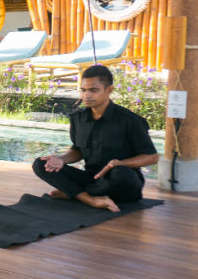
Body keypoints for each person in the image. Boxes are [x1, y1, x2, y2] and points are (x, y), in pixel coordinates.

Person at [32, 64, 158, 212]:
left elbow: (152, 157)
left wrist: (120, 163)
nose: (87, 95)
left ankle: (75, 193)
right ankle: (89, 199)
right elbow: (77, 150)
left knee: (121, 174)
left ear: (109, 90)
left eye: (93, 90)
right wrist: (61, 159)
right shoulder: (78, 118)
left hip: (120, 181)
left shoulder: (130, 120)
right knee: (41, 164)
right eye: (83, 90)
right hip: (91, 178)